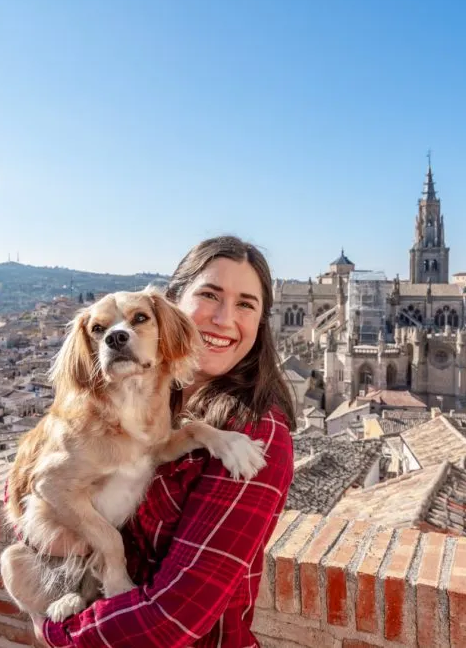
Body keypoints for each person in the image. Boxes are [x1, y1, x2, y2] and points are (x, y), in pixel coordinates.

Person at [39, 235, 296, 647]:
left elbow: (174, 619)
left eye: (246, 304)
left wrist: (55, 631)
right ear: (174, 304)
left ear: (262, 322)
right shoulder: (142, 397)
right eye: (210, 296)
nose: (223, 319)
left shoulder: (254, 434)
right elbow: (32, 482)